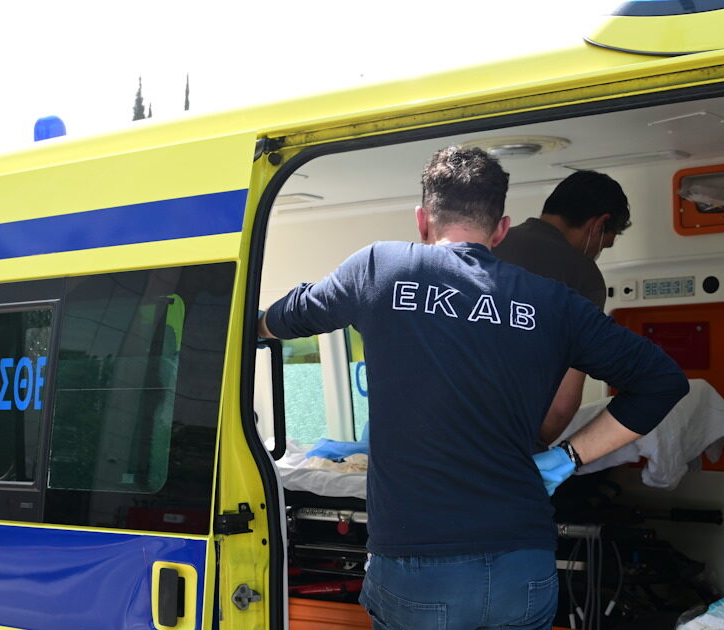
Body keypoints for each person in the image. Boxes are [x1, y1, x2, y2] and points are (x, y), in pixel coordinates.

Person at [258, 147, 686, 630]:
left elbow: (286, 317)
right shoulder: (555, 302)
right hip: (523, 562)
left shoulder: (379, 268)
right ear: (500, 230)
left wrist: (250, 327)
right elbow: (662, 381)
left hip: (419, 567)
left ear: (422, 220)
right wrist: (568, 457)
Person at [492, 170, 632, 447]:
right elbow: (561, 405)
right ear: (598, 224)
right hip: (507, 437)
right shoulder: (583, 276)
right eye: (604, 245)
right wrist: (532, 450)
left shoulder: (488, 243)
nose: (596, 253)